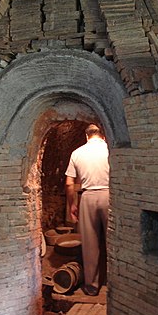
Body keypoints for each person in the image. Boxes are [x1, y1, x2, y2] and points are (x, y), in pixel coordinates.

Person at [65, 124, 109, 296]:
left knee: (90, 245)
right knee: (112, 242)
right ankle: (115, 283)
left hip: (88, 197)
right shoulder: (110, 149)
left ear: (86, 136)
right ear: (103, 136)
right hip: (109, 195)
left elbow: (69, 183)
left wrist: (72, 205)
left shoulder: (77, 153)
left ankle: (92, 287)